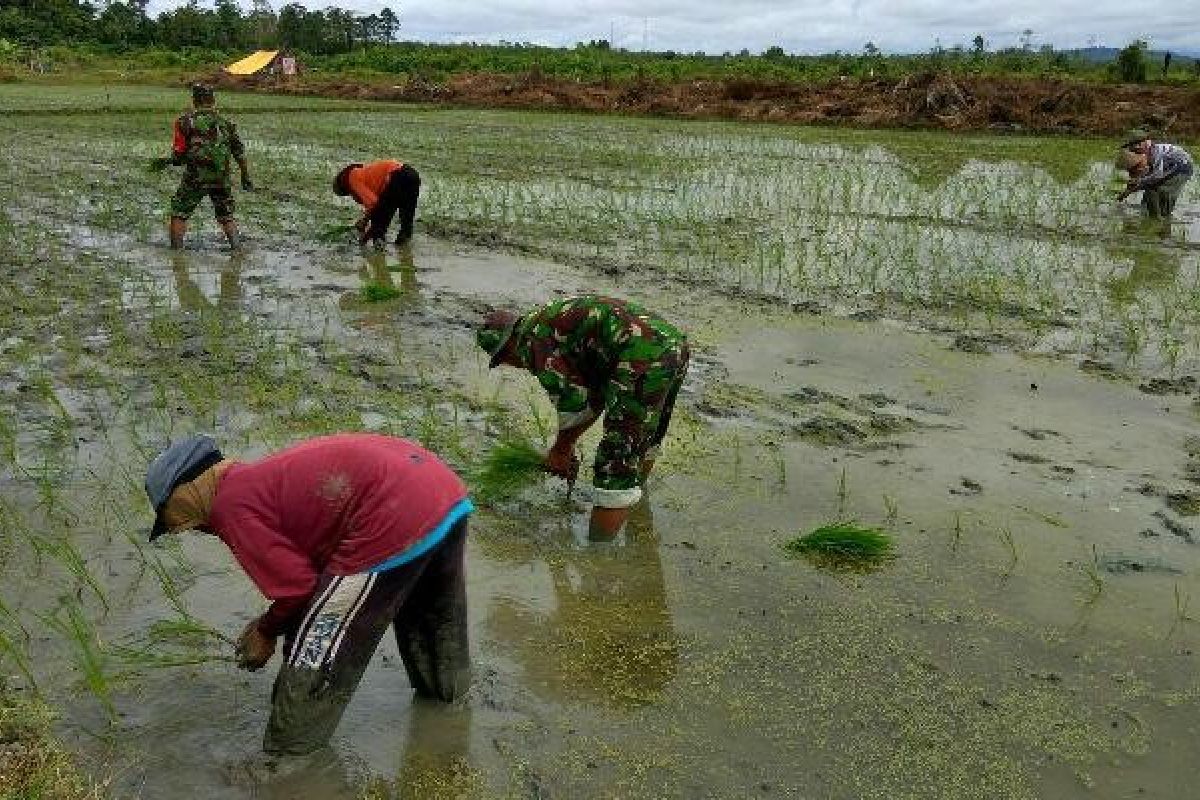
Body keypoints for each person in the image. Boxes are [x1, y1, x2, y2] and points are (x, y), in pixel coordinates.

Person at [143, 433, 473, 755]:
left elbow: (298, 589)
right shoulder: (258, 479)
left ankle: (289, 760)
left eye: (169, 518)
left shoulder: (230, 506)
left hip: (391, 511)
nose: (178, 529)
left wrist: (266, 631)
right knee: (435, 622)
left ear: (183, 493)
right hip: (440, 490)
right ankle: (448, 715)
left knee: (314, 653)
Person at [475, 295, 689, 540]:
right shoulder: (545, 321)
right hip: (672, 345)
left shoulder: (532, 343)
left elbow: (576, 405)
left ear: (508, 346)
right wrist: (567, 446)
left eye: (503, 359)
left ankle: (598, 556)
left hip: (641, 357)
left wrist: (561, 450)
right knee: (645, 439)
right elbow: (594, 397)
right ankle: (636, 511)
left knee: (616, 462)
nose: (512, 365)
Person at [163, 84, 253, 250]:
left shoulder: (185, 122)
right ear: (213, 100)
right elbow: (239, 153)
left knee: (179, 212)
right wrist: (245, 177)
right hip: (221, 177)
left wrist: (172, 160)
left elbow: (178, 155)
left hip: (196, 177)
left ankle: (176, 253)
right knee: (226, 216)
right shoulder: (226, 123)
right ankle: (237, 249)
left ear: (194, 100)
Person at [332, 160, 421, 246]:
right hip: (412, 175)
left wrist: (365, 223)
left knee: (378, 226)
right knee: (406, 225)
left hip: (397, 176)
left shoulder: (352, 178)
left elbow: (373, 203)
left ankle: (378, 253)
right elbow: (378, 202)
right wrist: (366, 221)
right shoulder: (363, 173)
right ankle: (404, 255)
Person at [1117, 131, 1193, 218]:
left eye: (1133, 146)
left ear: (1144, 144)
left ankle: (1162, 219)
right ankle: (1147, 212)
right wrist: (1127, 192)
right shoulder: (1148, 154)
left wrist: (1139, 182)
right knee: (1149, 189)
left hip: (1181, 169)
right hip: (1170, 168)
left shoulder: (1155, 152)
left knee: (1163, 192)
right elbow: (1148, 176)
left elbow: (1157, 175)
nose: (1133, 150)